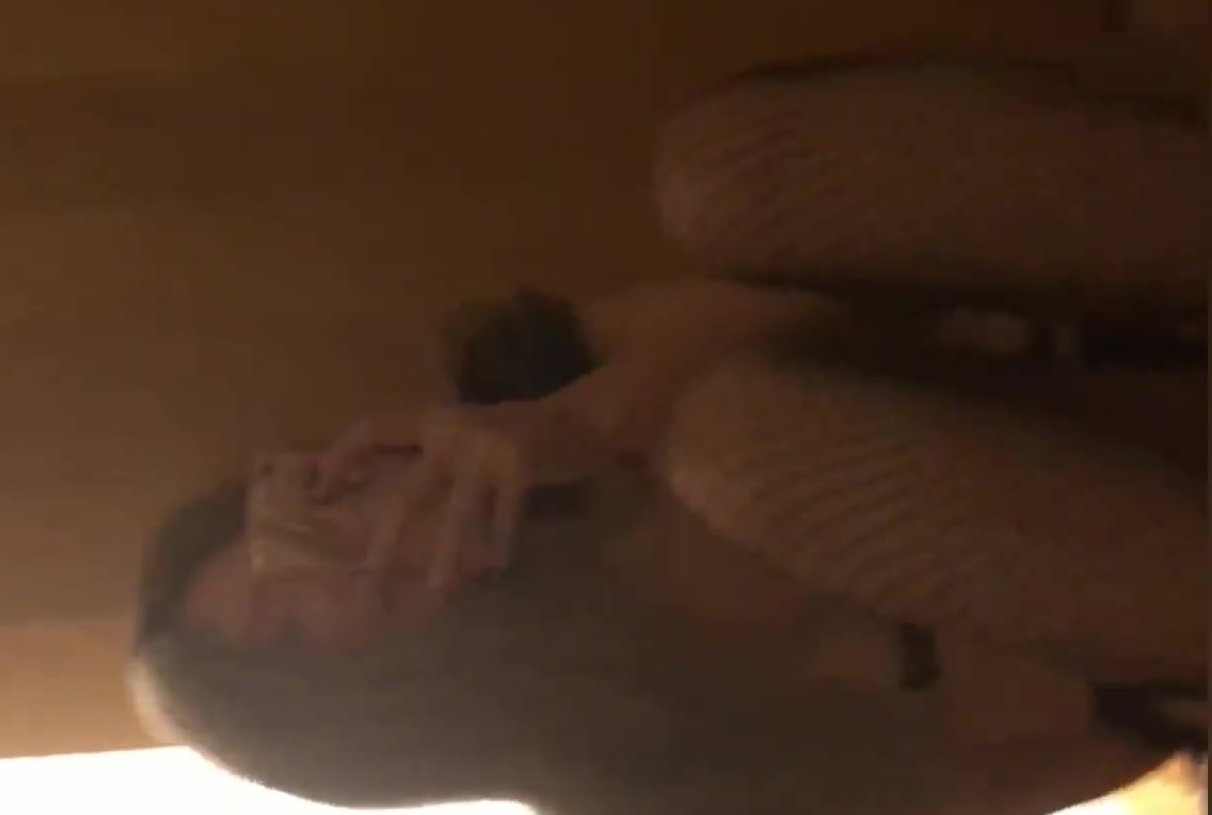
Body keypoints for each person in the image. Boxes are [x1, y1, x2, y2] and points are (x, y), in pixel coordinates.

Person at [127, 40, 1208, 814]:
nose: (335, 577)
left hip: (1112, 342)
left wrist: (585, 421)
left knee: (724, 178)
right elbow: (1089, 741)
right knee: (742, 454)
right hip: (1158, 582)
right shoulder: (650, 784)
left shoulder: (542, 381)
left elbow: (899, 313)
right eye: (292, 632)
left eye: (291, 533)